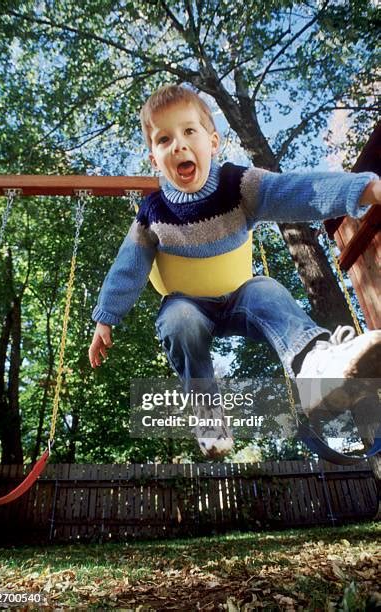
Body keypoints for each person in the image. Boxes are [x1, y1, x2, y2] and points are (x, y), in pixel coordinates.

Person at [89, 84, 381, 458]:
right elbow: (127, 267)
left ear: (213, 143)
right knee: (177, 318)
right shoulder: (153, 213)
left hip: (240, 297)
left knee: (268, 290)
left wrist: (366, 189)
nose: (178, 144)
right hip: (190, 305)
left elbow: (297, 190)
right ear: (154, 160)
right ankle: (208, 413)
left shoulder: (238, 185)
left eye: (188, 131)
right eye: (164, 138)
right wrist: (105, 318)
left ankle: (315, 366)